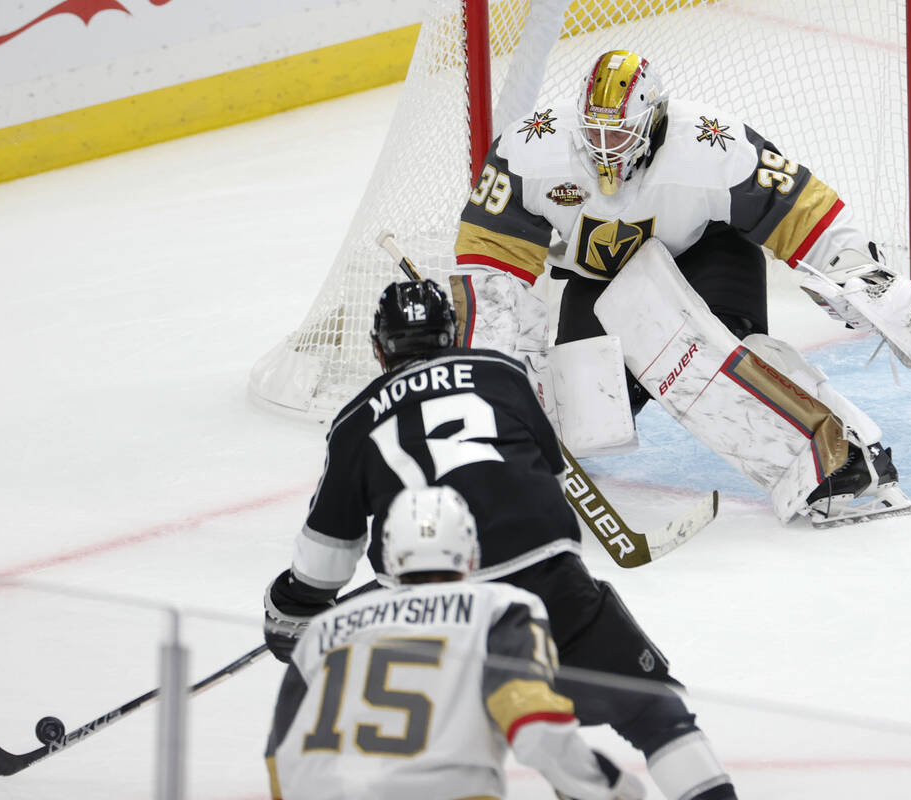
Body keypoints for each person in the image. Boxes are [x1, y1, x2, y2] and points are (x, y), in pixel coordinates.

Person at [264, 278, 738, 800]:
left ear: (378, 349)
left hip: (427, 609)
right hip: (547, 579)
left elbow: (323, 564)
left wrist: (293, 606)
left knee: (463, 739)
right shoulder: (501, 373)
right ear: (451, 336)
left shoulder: (353, 422)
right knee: (651, 708)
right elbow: (553, 481)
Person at [452, 49, 911, 527]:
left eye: (618, 132)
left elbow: (800, 207)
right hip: (599, 281)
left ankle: (842, 455)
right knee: (586, 420)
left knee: (710, 360)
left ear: (653, 119)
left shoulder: (712, 145)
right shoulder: (531, 148)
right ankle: (631, 378)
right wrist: (489, 364)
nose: (604, 147)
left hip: (707, 260)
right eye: (593, 132)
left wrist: (857, 268)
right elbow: (490, 262)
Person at [265, 485, 645, 800]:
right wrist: (607, 786)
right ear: (470, 549)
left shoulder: (325, 628)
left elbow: (279, 754)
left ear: (389, 552)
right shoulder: (500, 609)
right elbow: (534, 726)